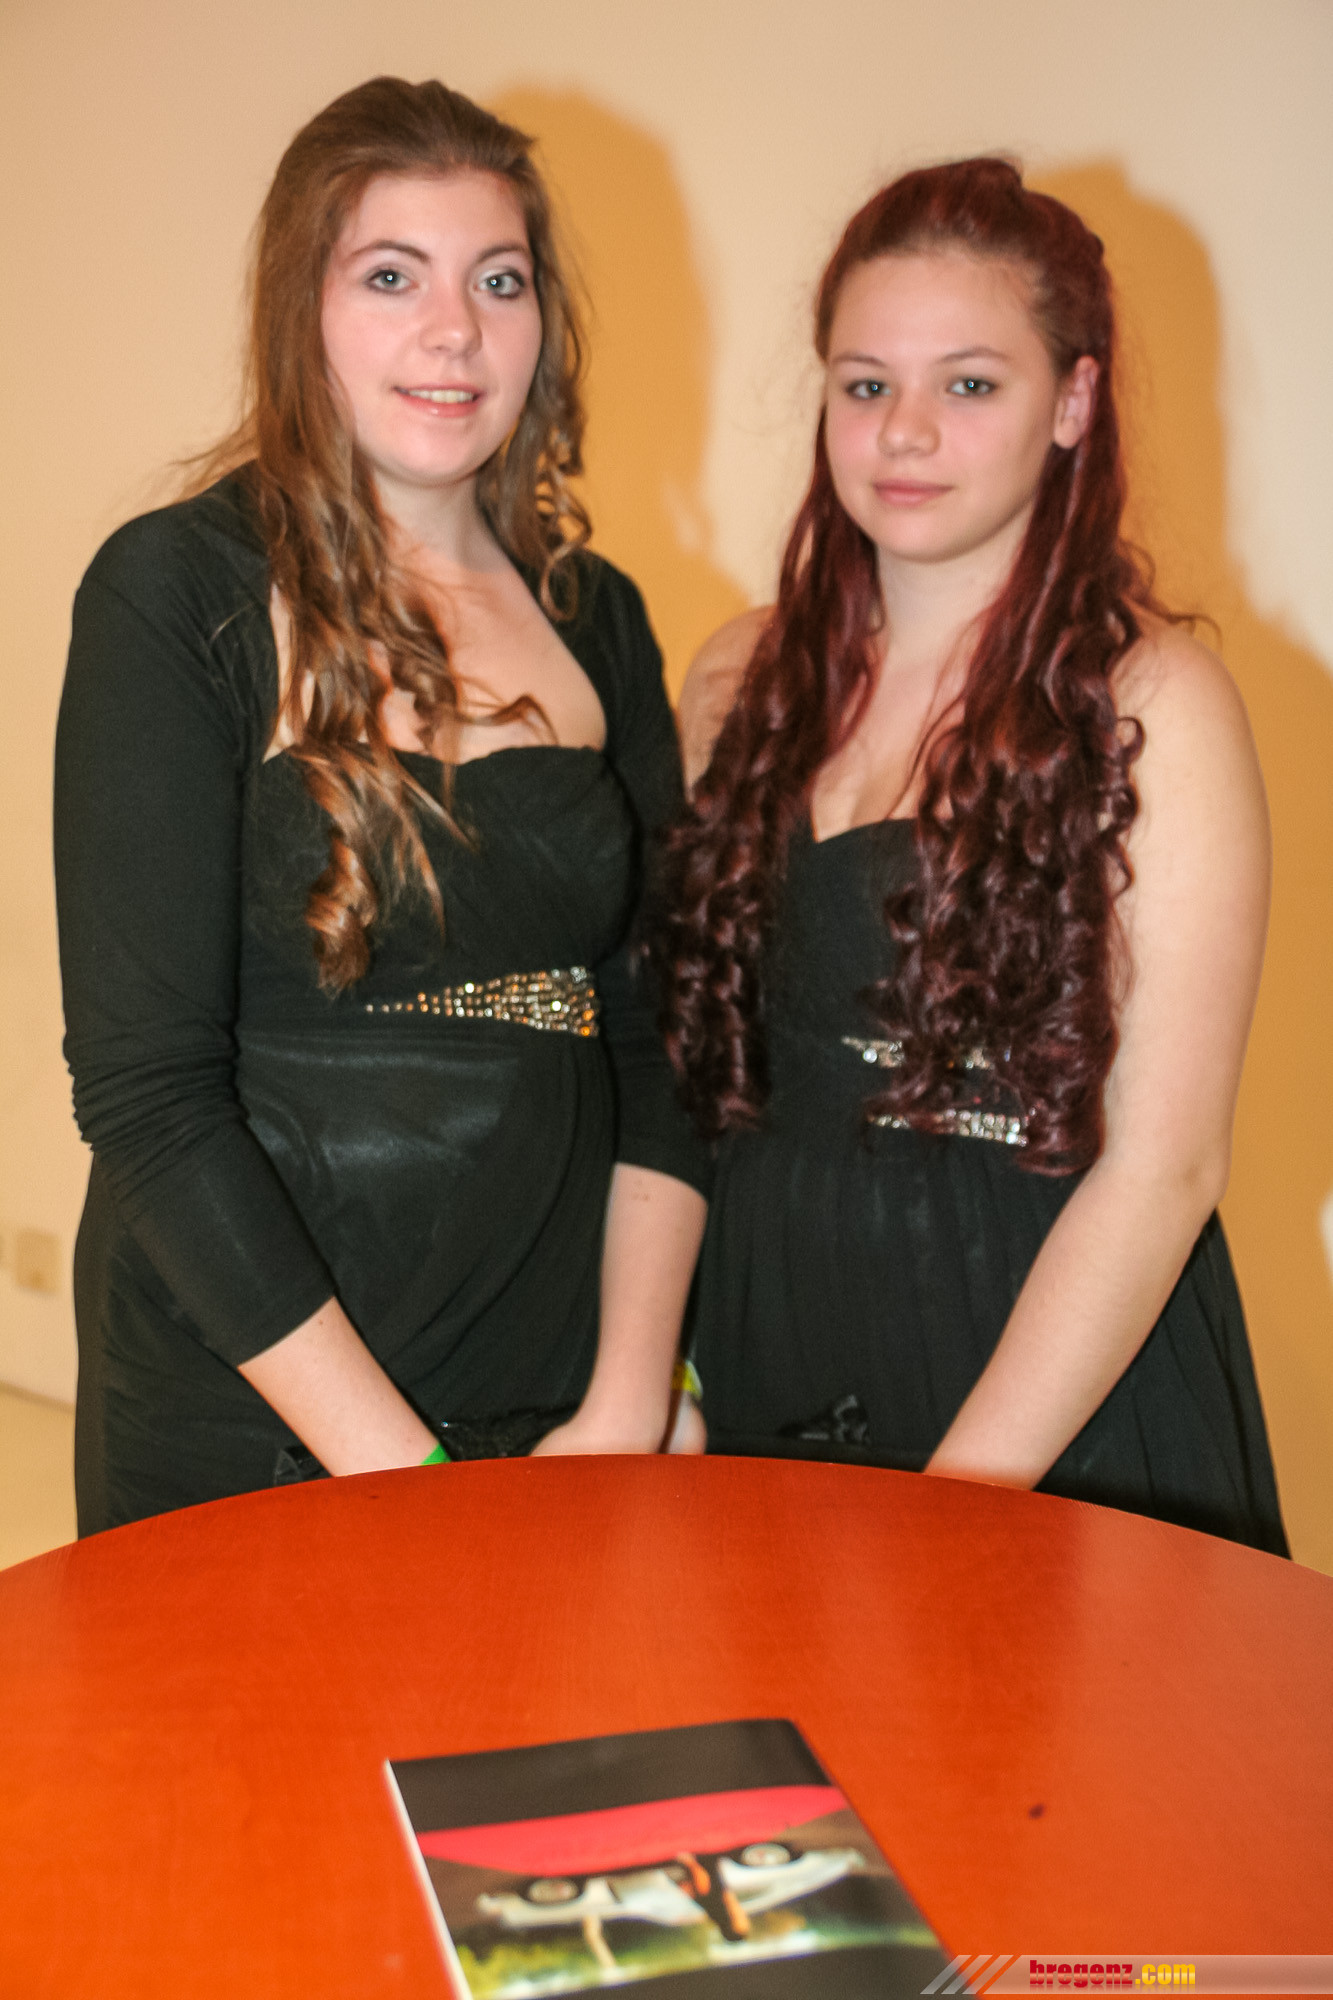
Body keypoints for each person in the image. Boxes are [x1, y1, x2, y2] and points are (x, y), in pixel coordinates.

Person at [55, 76, 708, 1534]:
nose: (455, 331)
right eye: (392, 277)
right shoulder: (177, 592)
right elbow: (149, 1098)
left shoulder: (596, 615)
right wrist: (404, 1481)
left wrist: (625, 1398)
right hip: (259, 1409)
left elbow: (663, 1041)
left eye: (499, 280)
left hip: (552, 1384)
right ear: (302, 311)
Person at [652, 157, 1286, 1552]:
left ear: (1072, 402)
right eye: (866, 383)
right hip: (769, 1351)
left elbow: (1165, 1169)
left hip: (1044, 1402)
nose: (906, 432)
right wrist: (673, 1371)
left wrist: (958, 1512)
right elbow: (697, 1084)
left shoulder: (1154, 705)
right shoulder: (730, 680)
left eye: (971, 384)